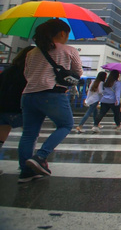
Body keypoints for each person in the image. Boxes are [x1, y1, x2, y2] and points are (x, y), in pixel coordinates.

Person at [18, 19, 83, 183]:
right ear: (62, 33)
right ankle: (41, 156)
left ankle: (26, 173)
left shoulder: (32, 53)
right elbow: (78, 72)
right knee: (66, 125)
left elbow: (26, 74)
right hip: (52, 94)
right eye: (67, 34)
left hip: (28, 94)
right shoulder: (69, 50)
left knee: (29, 134)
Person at [0, 46, 35, 175]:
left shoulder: (8, 71)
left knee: (1, 138)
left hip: (2, 108)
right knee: (29, 135)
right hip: (19, 108)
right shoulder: (28, 72)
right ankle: (25, 168)